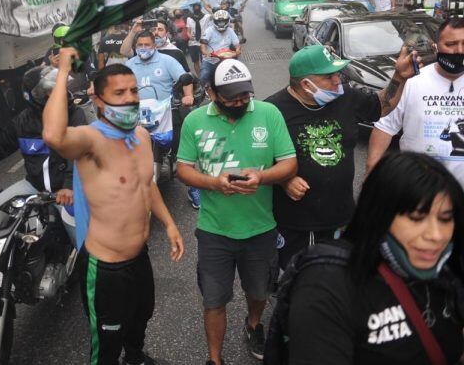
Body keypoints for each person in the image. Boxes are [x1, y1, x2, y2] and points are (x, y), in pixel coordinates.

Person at [43, 52, 185, 365]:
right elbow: (54, 135)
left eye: (133, 90)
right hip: (106, 269)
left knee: (139, 319)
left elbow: (145, 185)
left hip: (139, 258)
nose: (130, 98)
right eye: (119, 93)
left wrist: (170, 224)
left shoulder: (142, 136)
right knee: (106, 344)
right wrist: (64, 69)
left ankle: (134, 357)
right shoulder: (91, 140)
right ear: (100, 102)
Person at [285, 152, 464, 364]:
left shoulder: (450, 270)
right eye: (416, 218)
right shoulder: (327, 283)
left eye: (445, 219)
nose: (435, 235)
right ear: (380, 215)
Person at [176, 59, 297, 365]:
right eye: (232, 99)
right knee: (214, 299)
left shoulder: (268, 114)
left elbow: (289, 164)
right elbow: (183, 170)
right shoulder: (194, 121)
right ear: (211, 92)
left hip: (261, 228)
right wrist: (214, 184)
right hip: (214, 230)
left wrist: (262, 177)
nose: (240, 103)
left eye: (245, 97)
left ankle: (253, 325)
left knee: (259, 292)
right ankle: (214, 359)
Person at [266, 44, 418, 270]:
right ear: (306, 84)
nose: (338, 80)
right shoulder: (272, 110)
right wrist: (283, 179)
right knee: (296, 278)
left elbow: (381, 106)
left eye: (337, 73)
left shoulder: (345, 96)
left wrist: (400, 76)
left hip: (340, 214)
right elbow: (257, 159)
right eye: (329, 77)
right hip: (295, 219)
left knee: (337, 275)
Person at [0, 65, 85, 244]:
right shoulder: (22, 121)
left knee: (82, 242)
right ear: (35, 96)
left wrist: (69, 186)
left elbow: (77, 156)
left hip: (66, 190)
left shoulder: (74, 114)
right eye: (50, 91)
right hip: (34, 187)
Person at [367, 18, 464, 185]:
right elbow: (385, 127)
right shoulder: (412, 81)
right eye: (451, 44)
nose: (459, 51)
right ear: (436, 46)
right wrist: (371, 172)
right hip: (419, 189)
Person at [121, 19, 191, 72]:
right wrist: (133, 31)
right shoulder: (144, 50)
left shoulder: (176, 53)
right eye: (153, 29)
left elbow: (186, 76)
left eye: (160, 29)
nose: (156, 32)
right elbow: (124, 52)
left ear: (167, 33)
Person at [199, 10, 241, 86]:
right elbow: (202, 45)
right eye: (218, 21)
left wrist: (238, 50)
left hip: (226, 59)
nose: (221, 23)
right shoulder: (209, 30)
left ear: (227, 21)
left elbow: (237, 44)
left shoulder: (230, 31)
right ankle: (204, 94)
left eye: (223, 21)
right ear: (214, 21)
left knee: (240, 74)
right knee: (203, 76)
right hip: (211, 60)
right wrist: (205, 52)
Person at [187, 5, 204, 74]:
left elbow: (213, 14)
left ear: (200, 7)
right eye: (195, 6)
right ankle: (199, 78)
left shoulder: (206, 17)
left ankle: (205, 77)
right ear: (193, 8)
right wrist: (189, 35)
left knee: (205, 61)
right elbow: (188, 31)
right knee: (196, 61)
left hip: (203, 42)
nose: (196, 8)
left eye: (198, 6)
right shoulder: (189, 18)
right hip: (193, 43)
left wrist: (206, 5)